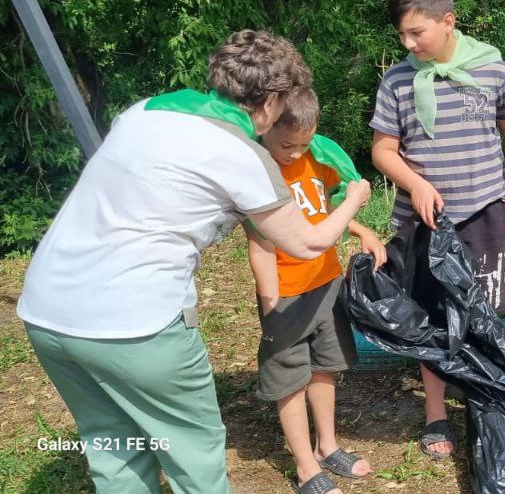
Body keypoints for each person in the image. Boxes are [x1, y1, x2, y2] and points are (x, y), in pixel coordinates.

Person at [17, 30, 372, 493]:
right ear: (269, 102)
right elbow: (305, 242)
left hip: (46, 312)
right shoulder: (241, 154)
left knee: (113, 447)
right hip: (135, 324)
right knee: (193, 453)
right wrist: (354, 201)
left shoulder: (144, 111)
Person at [369, 0, 505, 459]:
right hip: (424, 224)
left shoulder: (490, 67)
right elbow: (383, 151)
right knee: (431, 314)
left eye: (417, 32)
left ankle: (486, 402)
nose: (408, 43)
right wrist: (417, 183)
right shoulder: (397, 80)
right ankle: (436, 413)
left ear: (448, 21)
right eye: (401, 34)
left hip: (484, 211)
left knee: (485, 313)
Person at [247, 88, 386, 494]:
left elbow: (326, 211)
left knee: (325, 366)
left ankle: (327, 445)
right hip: (285, 292)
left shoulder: (318, 160)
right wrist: (271, 307)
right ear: (266, 127)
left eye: (303, 144)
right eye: (285, 144)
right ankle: (305, 465)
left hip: (326, 282)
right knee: (290, 377)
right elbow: (261, 247)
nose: (293, 153)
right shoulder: (258, 175)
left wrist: (360, 228)